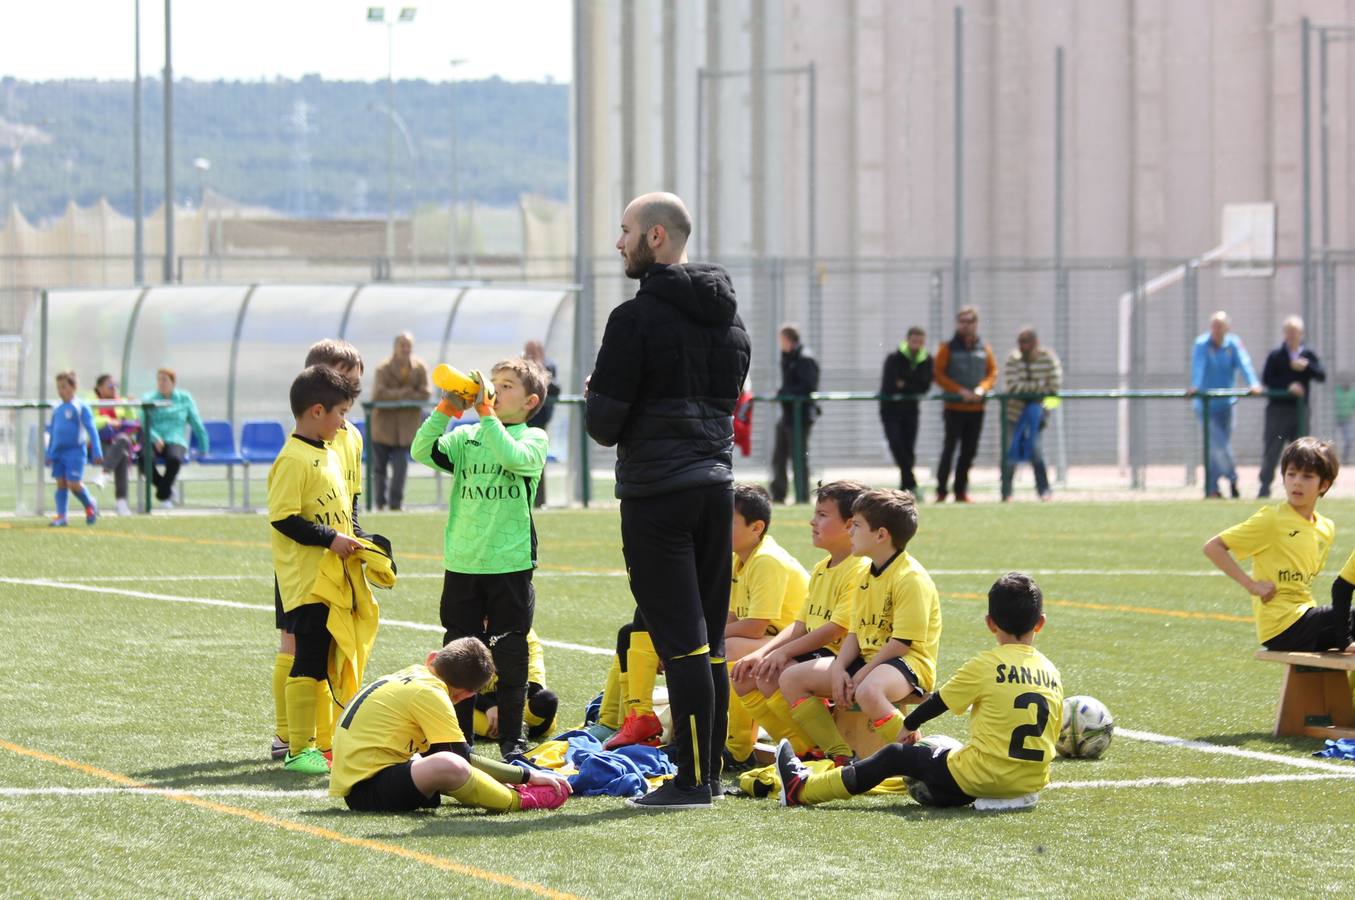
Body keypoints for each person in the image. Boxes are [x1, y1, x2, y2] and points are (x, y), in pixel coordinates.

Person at [586, 191, 751, 810]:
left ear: (656, 237)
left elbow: (604, 423)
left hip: (657, 496)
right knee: (706, 639)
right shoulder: (732, 321)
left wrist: (599, 393)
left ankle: (693, 783)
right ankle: (704, 775)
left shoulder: (634, 319)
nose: (618, 242)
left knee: (679, 640)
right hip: (716, 489)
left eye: (625, 230)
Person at [776, 572, 1062, 813]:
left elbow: (939, 701)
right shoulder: (1051, 672)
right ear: (1041, 623)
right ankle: (995, 792)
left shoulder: (985, 665)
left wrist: (910, 725)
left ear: (990, 623)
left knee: (896, 756)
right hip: (1030, 782)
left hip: (982, 779)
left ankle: (801, 789)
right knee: (949, 759)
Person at [411, 356, 550, 762]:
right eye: (493, 383)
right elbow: (421, 449)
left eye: (507, 386)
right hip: (464, 561)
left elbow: (512, 458)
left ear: (530, 401)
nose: (494, 390)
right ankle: (456, 738)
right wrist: (445, 410)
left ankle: (512, 739)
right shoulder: (466, 436)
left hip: (509, 562)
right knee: (457, 652)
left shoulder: (533, 438)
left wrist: (487, 415)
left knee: (510, 654)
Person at [786, 489, 941, 763]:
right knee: (791, 678)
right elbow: (855, 633)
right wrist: (839, 670)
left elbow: (901, 643)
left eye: (856, 525)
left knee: (869, 690)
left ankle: (917, 760)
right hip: (870, 662)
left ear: (881, 535)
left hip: (908, 664)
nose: (850, 532)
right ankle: (839, 756)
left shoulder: (910, 578)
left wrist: (862, 674)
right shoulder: (864, 573)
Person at [329, 637, 570, 813]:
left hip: (365, 778)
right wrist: (526, 776)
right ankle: (519, 800)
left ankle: (497, 789)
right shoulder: (430, 692)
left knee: (443, 761)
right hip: (368, 790)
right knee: (450, 764)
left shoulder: (415, 674)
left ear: (432, 658)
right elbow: (460, 758)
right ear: (465, 696)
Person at [269, 339, 368, 763]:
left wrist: (361, 545)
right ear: (317, 408)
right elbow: (284, 517)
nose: (345, 418)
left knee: (328, 658)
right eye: (341, 408)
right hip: (306, 576)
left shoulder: (334, 447)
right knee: (301, 656)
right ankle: (294, 744)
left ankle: (325, 743)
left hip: (334, 572)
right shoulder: (295, 457)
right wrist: (331, 539)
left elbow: (348, 505)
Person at [740, 480, 871, 762]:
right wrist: (763, 653)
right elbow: (800, 625)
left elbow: (835, 629)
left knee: (783, 674)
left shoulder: (859, 568)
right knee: (749, 674)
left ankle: (837, 754)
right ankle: (804, 751)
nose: (812, 521)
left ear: (851, 524)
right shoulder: (822, 568)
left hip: (849, 658)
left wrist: (784, 653)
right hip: (823, 654)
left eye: (823, 515)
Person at [1204, 437, 1352, 653]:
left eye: (1307, 476)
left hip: (1306, 617)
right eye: (1291, 474)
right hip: (1282, 627)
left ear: (1324, 484)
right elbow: (1213, 547)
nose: (1297, 482)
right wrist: (1251, 585)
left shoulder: (1326, 528)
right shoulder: (1271, 520)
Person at [721, 484, 810, 768]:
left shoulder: (766, 560)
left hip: (801, 641)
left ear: (757, 527)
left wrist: (707, 635)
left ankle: (738, 748)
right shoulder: (741, 559)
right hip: (776, 639)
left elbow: (755, 627)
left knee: (731, 649)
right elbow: (733, 617)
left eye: (728, 520)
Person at [1189, 311, 1260, 499]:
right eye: (1213, 326)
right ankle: (1233, 479)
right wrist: (1195, 386)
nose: (1216, 330)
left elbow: (1245, 365)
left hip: (1227, 405)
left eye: (1220, 326)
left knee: (1218, 449)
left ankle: (1212, 488)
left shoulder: (1233, 344)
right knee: (1218, 446)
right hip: (1205, 407)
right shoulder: (1202, 344)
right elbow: (1198, 366)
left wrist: (1253, 383)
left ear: (1227, 328)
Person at [933, 307, 997, 503]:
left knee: (969, 451)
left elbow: (992, 371)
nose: (965, 324)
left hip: (977, 409)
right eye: (962, 321)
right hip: (954, 408)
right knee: (949, 449)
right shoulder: (948, 348)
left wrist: (981, 389)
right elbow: (938, 374)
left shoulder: (983, 347)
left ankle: (960, 490)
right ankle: (942, 490)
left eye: (969, 321)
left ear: (975, 323)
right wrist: (959, 390)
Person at [1258, 317, 1325, 498]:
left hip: (1300, 411)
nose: (1291, 335)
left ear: (1301, 334)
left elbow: (1321, 375)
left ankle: (1302, 489)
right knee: (1272, 448)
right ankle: (1264, 486)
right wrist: (1288, 387)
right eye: (1288, 331)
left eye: (1294, 331)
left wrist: (1307, 367)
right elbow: (1267, 379)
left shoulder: (1307, 355)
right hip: (1278, 411)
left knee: (1302, 452)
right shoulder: (1276, 355)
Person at [370, 333, 430, 511]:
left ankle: (395, 504)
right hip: (383, 427)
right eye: (402, 345)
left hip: (406, 429)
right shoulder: (383, 368)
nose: (405, 349)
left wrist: (396, 394)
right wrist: (406, 393)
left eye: (408, 345)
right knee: (379, 469)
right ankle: (379, 503)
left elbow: (426, 392)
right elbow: (378, 393)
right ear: (395, 347)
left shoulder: (419, 368)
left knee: (400, 467)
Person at [1002, 327, 1062, 501]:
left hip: (1037, 413)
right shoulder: (1013, 359)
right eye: (1020, 342)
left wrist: (1033, 391)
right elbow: (1013, 385)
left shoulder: (1048, 358)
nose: (1023, 346)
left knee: (1036, 450)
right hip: (1014, 412)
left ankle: (1043, 490)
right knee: (1010, 450)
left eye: (1027, 342)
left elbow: (1054, 384)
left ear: (1035, 342)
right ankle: (1007, 491)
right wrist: (1039, 387)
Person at [473, 628, 560, 743]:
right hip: (479, 705)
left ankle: (506, 728)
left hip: (516, 705)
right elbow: (454, 685)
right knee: (451, 703)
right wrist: (488, 706)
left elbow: (534, 687)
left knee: (546, 700)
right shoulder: (466, 630)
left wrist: (502, 709)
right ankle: (513, 729)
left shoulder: (524, 632)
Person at [143, 368, 208, 509]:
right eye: (159, 379)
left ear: (173, 382)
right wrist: (155, 437)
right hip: (153, 439)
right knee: (143, 460)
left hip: (175, 439)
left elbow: (196, 421)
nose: (161, 383)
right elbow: (143, 421)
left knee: (174, 459)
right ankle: (167, 490)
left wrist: (204, 446)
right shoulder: (149, 398)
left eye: (164, 379)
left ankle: (163, 495)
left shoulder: (184, 398)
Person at [770, 324, 820, 504]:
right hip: (787, 415)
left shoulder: (804, 358)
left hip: (800, 417)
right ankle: (778, 494)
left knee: (798, 458)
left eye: (781, 339)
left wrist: (785, 393)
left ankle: (802, 495)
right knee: (779, 456)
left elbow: (808, 386)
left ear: (788, 339)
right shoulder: (789, 357)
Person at [45, 370, 102, 527]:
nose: (60, 390)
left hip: (75, 452)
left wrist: (97, 449)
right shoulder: (57, 408)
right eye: (58, 387)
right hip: (58, 452)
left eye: (64, 386)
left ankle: (90, 503)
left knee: (73, 484)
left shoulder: (80, 406)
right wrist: (49, 452)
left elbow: (91, 429)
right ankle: (62, 517)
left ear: (73, 387)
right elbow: (52, 431)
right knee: (61, 483)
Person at [879, 327, 933, 494]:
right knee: (896, 443)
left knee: (909, 448)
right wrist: (911, 385)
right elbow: (890, 385)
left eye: (920, 341)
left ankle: (906, 485)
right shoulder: (894, 358)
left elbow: (924, 387)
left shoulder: (927, 360)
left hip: (911, 410)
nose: (916, 344)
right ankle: (910, 482)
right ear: (907, 340)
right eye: (914, 340)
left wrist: (904, 384)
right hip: (891, 410)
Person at [91, 374, 139, 517]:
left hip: (119, 443)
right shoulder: (92, 403)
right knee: (122, 452)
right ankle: (121, 503)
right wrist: (107, 420)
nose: (114, 389)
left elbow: (133, 421)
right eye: (110, 386)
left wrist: (130, 406)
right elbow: (90, 422)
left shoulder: (121, 402)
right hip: (100, 445)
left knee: (123, 442)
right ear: (100, 388)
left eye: (116, 386)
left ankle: (105, 474)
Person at [523, 340, 560, 508]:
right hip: (521, 419)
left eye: (533, 351)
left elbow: (553, 388)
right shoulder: (520, 367)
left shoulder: (548, 366)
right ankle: (523, 499)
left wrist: (538, 366)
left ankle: (539, 500)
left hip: (538, 420)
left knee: (537, 460)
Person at [1335, 380, 1355, 464]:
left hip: (1347, 420)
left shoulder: (1353, 392)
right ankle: (1335, 460)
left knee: (1348, 440)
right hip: (1335, 420)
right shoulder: (1335, 391)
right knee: (1335, 441)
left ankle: (1344, 459)